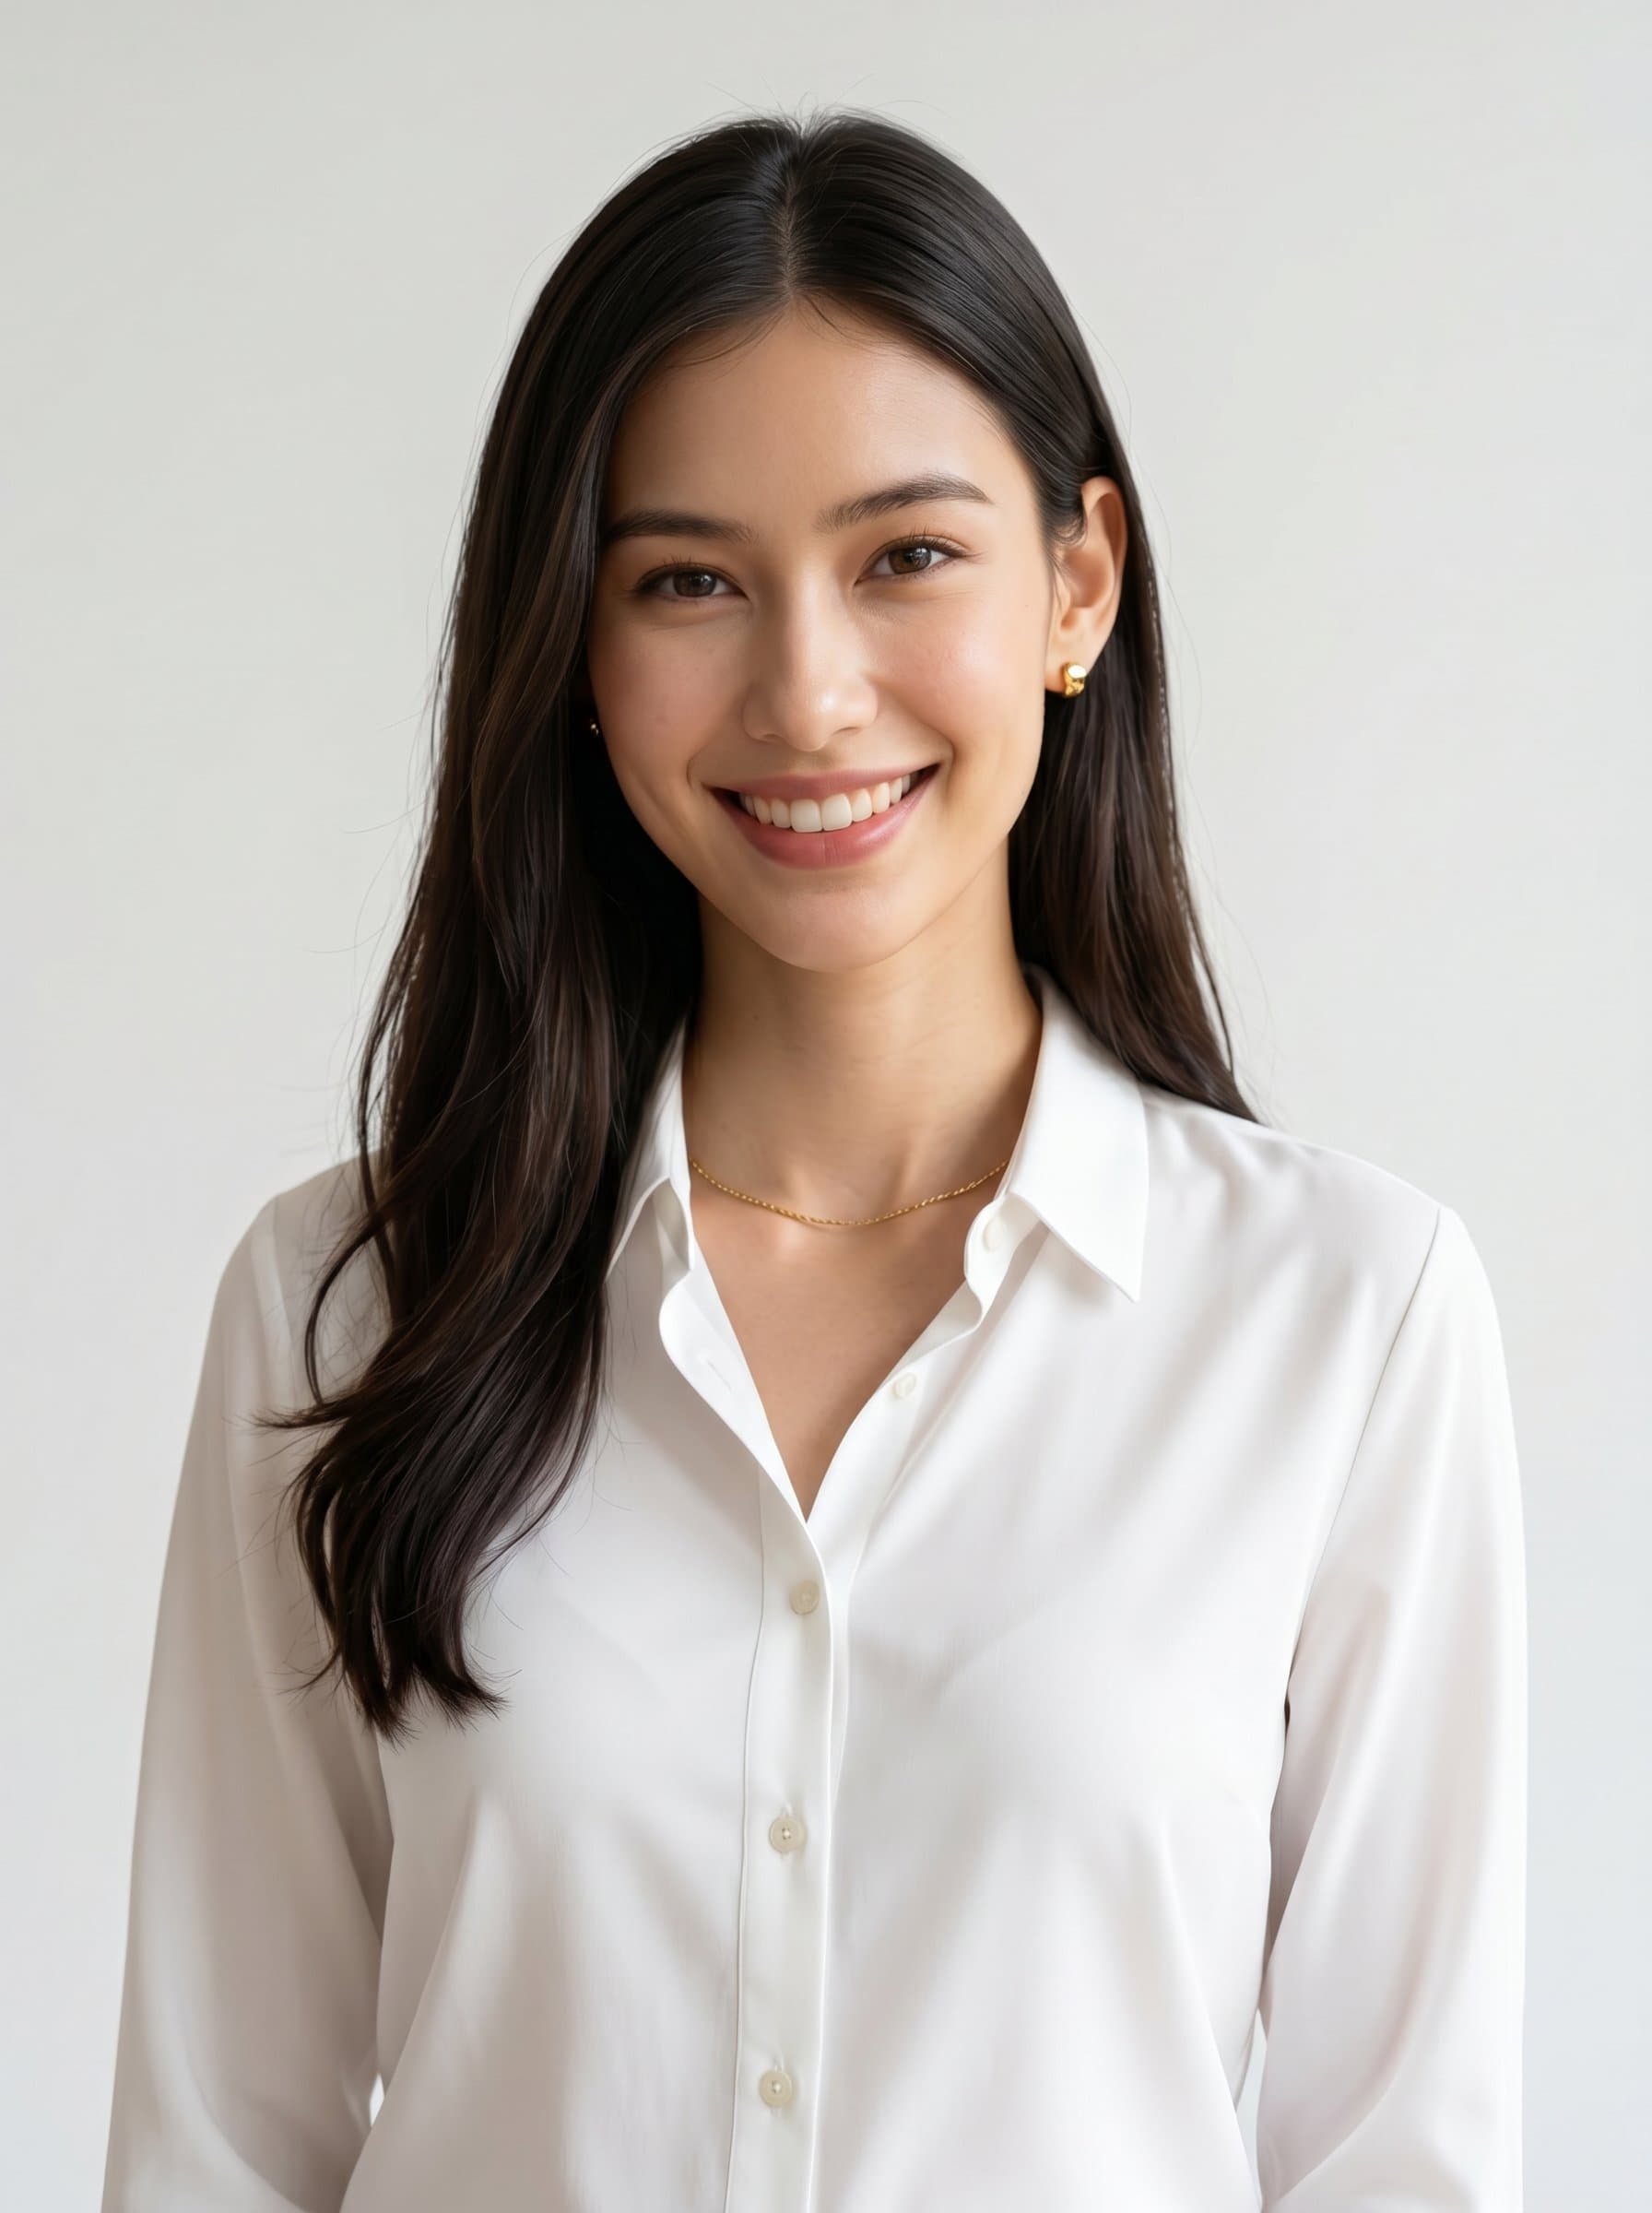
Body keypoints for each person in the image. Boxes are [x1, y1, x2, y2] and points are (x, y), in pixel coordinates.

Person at [100, 107, 1527, 2213]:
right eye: (687, 579)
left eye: (904, 557)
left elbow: (1405, 2165)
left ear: (1077, 581)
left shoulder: (1342, 1323)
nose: (806, 686)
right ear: (572, 653)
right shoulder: (348, 1309)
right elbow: (218, 2145)